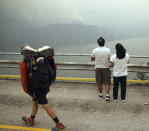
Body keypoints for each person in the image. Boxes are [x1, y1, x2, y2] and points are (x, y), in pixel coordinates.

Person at [20, 45, 65, 129]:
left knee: (45, 104)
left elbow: (24, 79)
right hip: (44, 84)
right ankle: (31, 119)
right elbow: (53, 67)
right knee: (35, 101)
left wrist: (27, 90)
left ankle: (59, 124)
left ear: (23, 53)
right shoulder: (42, 59)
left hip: (36, 86)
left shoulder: (25, 63)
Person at [91, 37, 111, 101]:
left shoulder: (94, 50)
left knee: (99, 82)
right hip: (106, 68)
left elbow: (92, 59)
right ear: (104, 42)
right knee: (107, 82)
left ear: (98, 43)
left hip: (98, 68)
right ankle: (107, 95)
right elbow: (110, 58)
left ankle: (100, 95)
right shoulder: (108, 50)